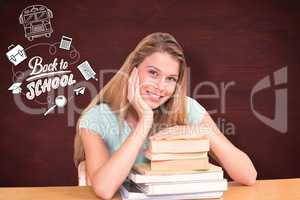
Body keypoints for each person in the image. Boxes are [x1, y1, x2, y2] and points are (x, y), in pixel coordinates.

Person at [73, 32, 257, 199]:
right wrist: (145, 121)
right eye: (153, 73)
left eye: (170, 79)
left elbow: (248, 175)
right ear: (133, 71)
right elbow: (104, 190)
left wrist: (203, 132)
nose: (161, 87)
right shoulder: (96, 118)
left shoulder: (186, 108)